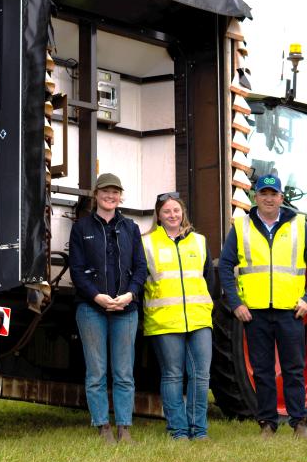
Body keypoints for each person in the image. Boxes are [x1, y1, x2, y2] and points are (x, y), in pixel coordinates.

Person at [219, 174, 307, 439]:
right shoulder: (242, 226)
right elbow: (224, 264)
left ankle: (299, 422)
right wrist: (235, 303)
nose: (268, 198)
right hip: (254, 312)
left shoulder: (299, 225)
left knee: (293, 368)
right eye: (264, 193)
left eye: (273, 194)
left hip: (290, 310)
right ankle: (267, 423)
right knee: (263, 370)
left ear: (281, 197)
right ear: (256, 197)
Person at [69, 173, 147, 444]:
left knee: (124, 372)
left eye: (115, 192)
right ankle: (103, 427)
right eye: (105, 192)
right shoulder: (81, 228)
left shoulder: (130, 228)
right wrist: (97, 297)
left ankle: (124, 428)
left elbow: (140, 268)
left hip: (126, 308)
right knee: (97, 371)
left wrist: (130, 294)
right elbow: (77, 271)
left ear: (120, 196)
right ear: (96, 195)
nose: (110, 196)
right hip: (92, 309)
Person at [142, 192, 215, 440]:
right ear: (159, 217)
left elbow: (210, 281)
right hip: (163, 321)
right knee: (172, 375)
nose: (172, 215)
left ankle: (199, 429)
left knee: (201, 375)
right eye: (166, 212)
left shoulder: (199, 241)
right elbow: (141, 281)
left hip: (199, 320)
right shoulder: (147, 243)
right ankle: (178, 430)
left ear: (182, 212)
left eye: (176, 210)